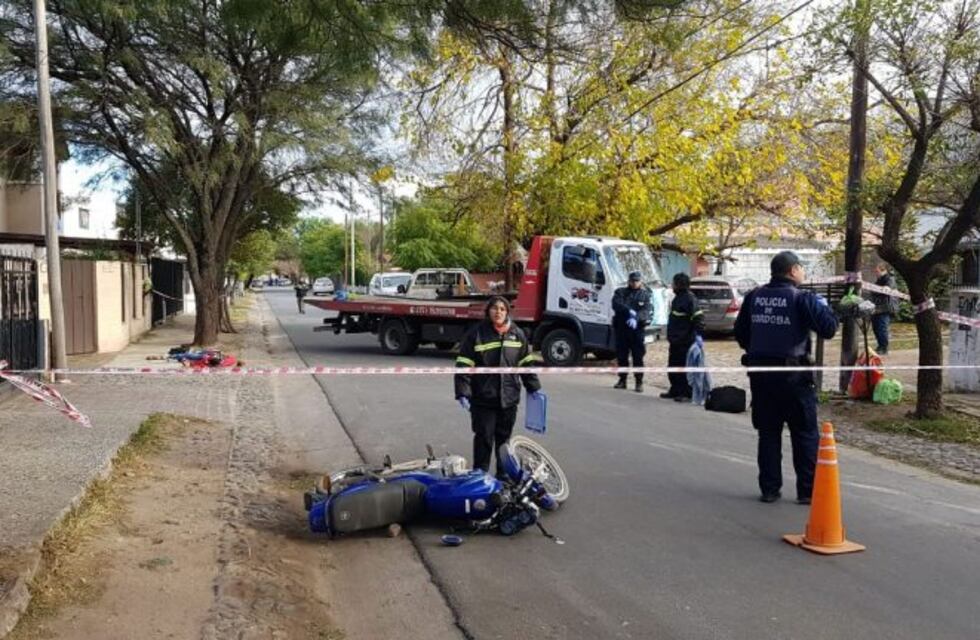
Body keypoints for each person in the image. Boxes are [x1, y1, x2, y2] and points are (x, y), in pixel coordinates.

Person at [734, 251, 838, 504]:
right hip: (795, 377)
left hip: (762, 375)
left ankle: (769, 489)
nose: (803, 273)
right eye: (801, 268)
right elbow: (829, 328)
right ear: (793, 271)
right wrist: (826, 307)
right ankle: (807, 491)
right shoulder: (802, 298)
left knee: (768, 433)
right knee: (803, 432)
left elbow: (741, 334)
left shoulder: (754, 297)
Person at [455, 296, 543, 475]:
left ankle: (503, 477)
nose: (498, 312)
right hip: (483, 398)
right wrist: (463, 391)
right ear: (488, 311)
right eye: (495, 308)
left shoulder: (517, 334)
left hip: (508, 399)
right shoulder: (477, 334)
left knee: (504, 441)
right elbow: (464, 364)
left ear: (507, 312)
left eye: (502, 309)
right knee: (484, 438)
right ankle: (480, 475)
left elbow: (526, 364)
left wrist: (533, 387)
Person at [661, 273, 704, 401]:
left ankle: (686, 393)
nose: (672, 285)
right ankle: (675, 389)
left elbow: (698, 319)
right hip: (675, 340)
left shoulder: (690, 299)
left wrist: (699, 336)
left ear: (679, 285)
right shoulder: (677, 298)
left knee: (684, 367)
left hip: (686, 341)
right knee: (673, 365)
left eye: (674, 283)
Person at [612, 271, 652, 392]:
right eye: (632, 281)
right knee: (622, 356)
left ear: (640, 281)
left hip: (637, 330)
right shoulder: (621, 292)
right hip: (622, 329)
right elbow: (616, 304)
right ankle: (622, 380)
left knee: (638, 357)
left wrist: (636, 317)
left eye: (636, 281)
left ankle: (639, 382)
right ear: (629, 281)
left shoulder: (645, 295)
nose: (634, 283)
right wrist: (629, 311)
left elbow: (647, 311)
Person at [870, 263, 899, 355]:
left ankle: (884, 348)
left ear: (883, 270)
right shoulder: (879, 280)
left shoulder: (888, 279)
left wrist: (883, 289)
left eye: (877, 271)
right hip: (877, 307)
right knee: (876, 328)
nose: (876, 273)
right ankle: (880, 346)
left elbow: (887, 288)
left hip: (885, 308)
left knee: (882, 328)